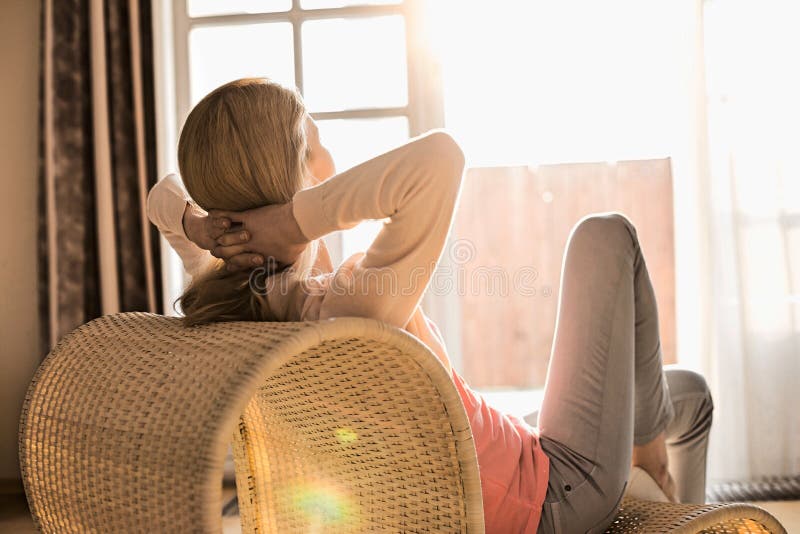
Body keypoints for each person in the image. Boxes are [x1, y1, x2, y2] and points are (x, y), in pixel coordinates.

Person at [147, 78, 713, 533]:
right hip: (552, 495)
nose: (329, 166)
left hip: (507, 460)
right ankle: (658, 474)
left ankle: (665, 475)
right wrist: (291, 221)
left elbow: (161, 198)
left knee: (687, 393)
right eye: (312, 150)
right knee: (606, 234)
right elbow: (441, 157)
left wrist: (204, 226)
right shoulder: (347, 308)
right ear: (292, 183)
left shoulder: (240, 302)